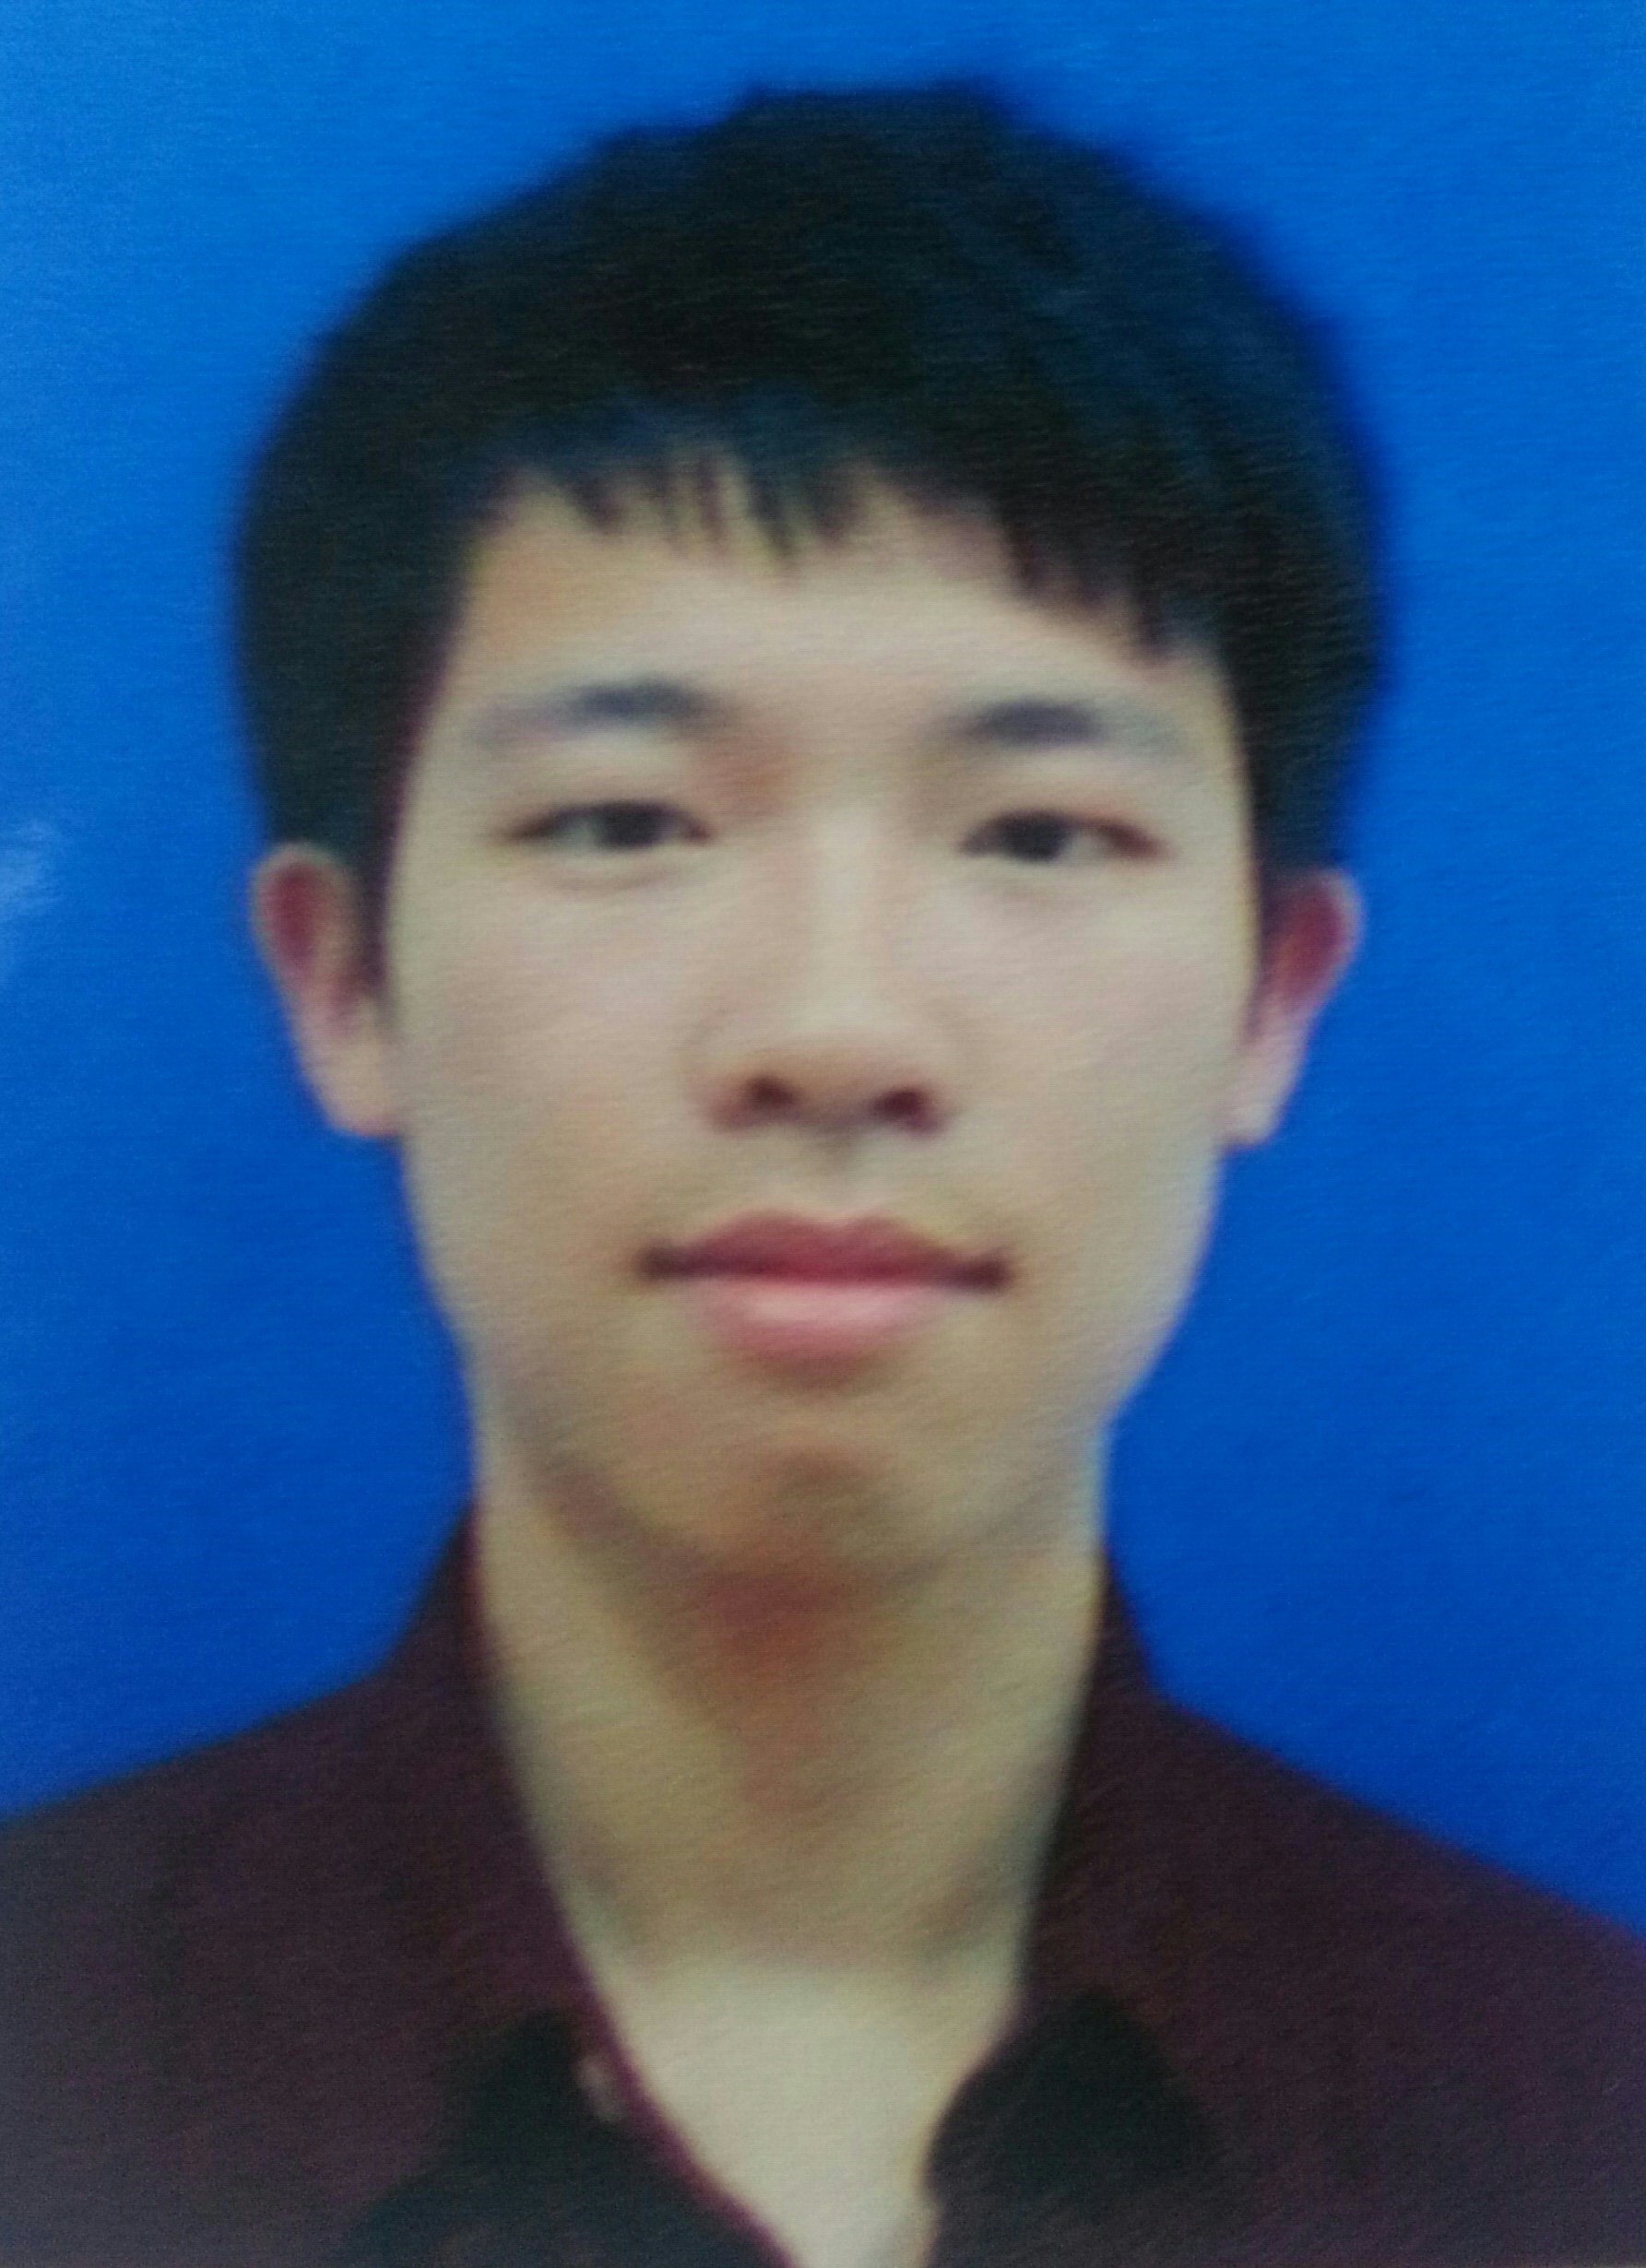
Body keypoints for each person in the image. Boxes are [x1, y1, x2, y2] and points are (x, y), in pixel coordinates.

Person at [2, 80, 1642, 2268]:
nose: (835, 1027)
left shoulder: (1572, 2122)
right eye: (624, 821)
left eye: (1037, 833)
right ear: (340, 981)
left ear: (1270, 998)